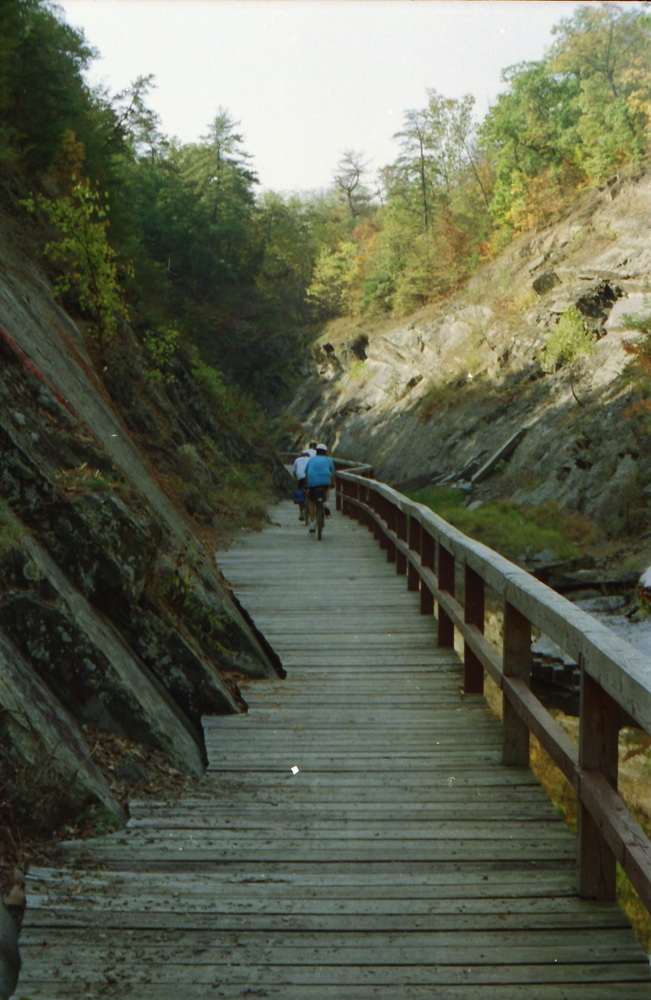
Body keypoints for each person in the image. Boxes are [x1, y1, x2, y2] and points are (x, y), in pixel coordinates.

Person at [304, 442, 335, 535]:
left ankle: (312, 524)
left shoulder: (311, 460)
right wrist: (333, 483)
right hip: (325, 482)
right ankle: (326, 504)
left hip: (312, 482)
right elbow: (332, 473)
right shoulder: (329, 460)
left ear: (317, 451)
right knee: (328, 487)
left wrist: (306, 485)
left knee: (311, 502)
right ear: (325, 452)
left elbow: (306, 473)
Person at [292, 448, 311, 521]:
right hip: (309, 478)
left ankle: (301, 513)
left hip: (300, 479)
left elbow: (294, 472)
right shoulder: (311, 459)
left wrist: (297, 479)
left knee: (300, 493)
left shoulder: (297, 460)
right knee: (311, 492)